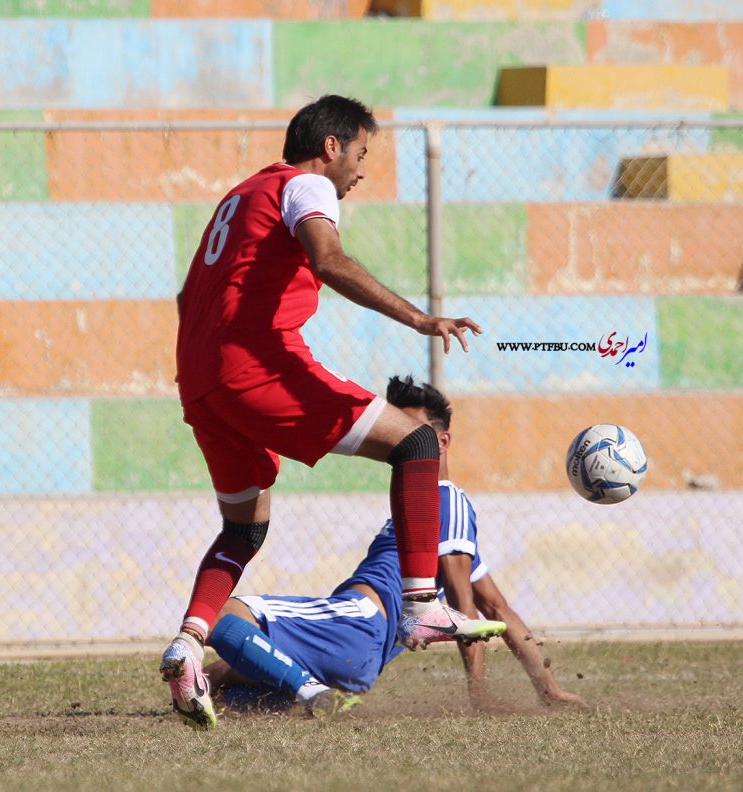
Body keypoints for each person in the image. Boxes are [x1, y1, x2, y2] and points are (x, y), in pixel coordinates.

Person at [161, 95, 503, 731]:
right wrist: (421, 319)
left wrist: (213, 364)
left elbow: (189, 295)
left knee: (244, 531)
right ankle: (422, 605)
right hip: (255, 370)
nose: (361, 170)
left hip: (201, 383)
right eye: (361, 153)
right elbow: (330, 260)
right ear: (331, 147)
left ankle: (187, 645)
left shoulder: (239, 196)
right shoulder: (305, 186)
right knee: (418, 446)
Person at [199, 376, 585, 720]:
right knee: (234, 686)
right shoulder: (434, 511)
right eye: (395, 427)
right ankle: (299, 690)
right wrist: (548, 690)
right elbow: (499, 610)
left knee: (219, 616)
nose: (399, 436)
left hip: (357, 620)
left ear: (442, 441)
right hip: (362, 661)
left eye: (411, 428)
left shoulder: (442, 498)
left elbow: (462, 603)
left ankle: (310, 690)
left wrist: (477, 691)